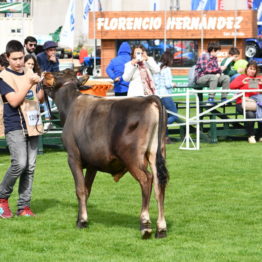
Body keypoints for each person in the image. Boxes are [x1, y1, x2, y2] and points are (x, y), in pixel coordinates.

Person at [0, 40, 44, 218]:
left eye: (21, 58)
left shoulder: (30, 72)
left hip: (33, 124)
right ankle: (2, 198)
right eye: (15, 59)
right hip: (15, 125)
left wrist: (42, 84)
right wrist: (29, 82)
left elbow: (37, 98)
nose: (18, 62)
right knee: (19, 163)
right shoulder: (3, 77)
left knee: (30, 167)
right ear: (7, 58)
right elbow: (13, 101)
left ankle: (23, 206)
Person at [230, 60, 262, 144]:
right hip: (241, 103)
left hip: (255, 103)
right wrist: (242, 82)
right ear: (247, 69)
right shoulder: (241, 77)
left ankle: (260, 135)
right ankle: (251, 135)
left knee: (258, 111)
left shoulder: (258, 79)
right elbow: (231, 86)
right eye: (250, 68)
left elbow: (255, 93)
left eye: (254, 69)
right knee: (251, 114)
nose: (252, 71)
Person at [195, 41, 230, 106]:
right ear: (213, 50)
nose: (219, 52)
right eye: (218, 51)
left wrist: (219, 73)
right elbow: (206, 70)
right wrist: (219, 69)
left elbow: (215, 70)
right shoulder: (204, 56)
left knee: (226, 78)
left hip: (212, 78)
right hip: (201, 78)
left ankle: (224, 98)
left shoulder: (215, 58)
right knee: (213, 77)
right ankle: (210, 99)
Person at [154, 51, 178, 143]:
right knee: (175, 115)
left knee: (164, 115)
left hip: (157, 95)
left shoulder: (156, 68)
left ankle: (165, 137)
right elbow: (168, 84)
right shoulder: (166, 69)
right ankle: (160, 126)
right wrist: (173, 84)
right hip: (165, 95)